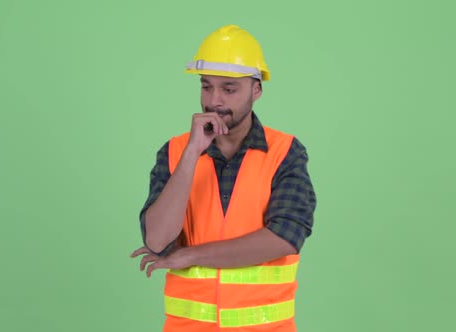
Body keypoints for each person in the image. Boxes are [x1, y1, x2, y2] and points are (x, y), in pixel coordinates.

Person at [130, 24, 317, 332]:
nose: (214, 100)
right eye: (206, 86)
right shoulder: (176, 151)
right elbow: (157, 240)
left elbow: (284, 237)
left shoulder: (285, 152)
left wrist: (190, 255)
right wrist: (193, 152)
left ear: (256, 90)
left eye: (229, 89)